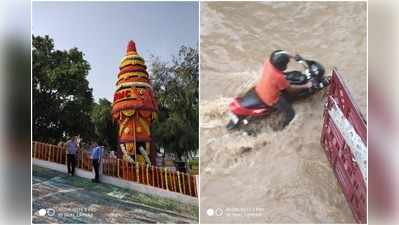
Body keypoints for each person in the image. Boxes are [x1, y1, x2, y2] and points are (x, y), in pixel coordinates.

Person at [254, 50, 313, 127]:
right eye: (286, 63)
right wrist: (306, 86)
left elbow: (282, 54)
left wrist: (293, 56)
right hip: (271, 98)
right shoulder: (278, 77)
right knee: (291, 114)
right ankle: (280, 127)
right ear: (282, 65)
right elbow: (291, 89)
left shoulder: (269, 62)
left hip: (260, 88)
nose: (287, 64)